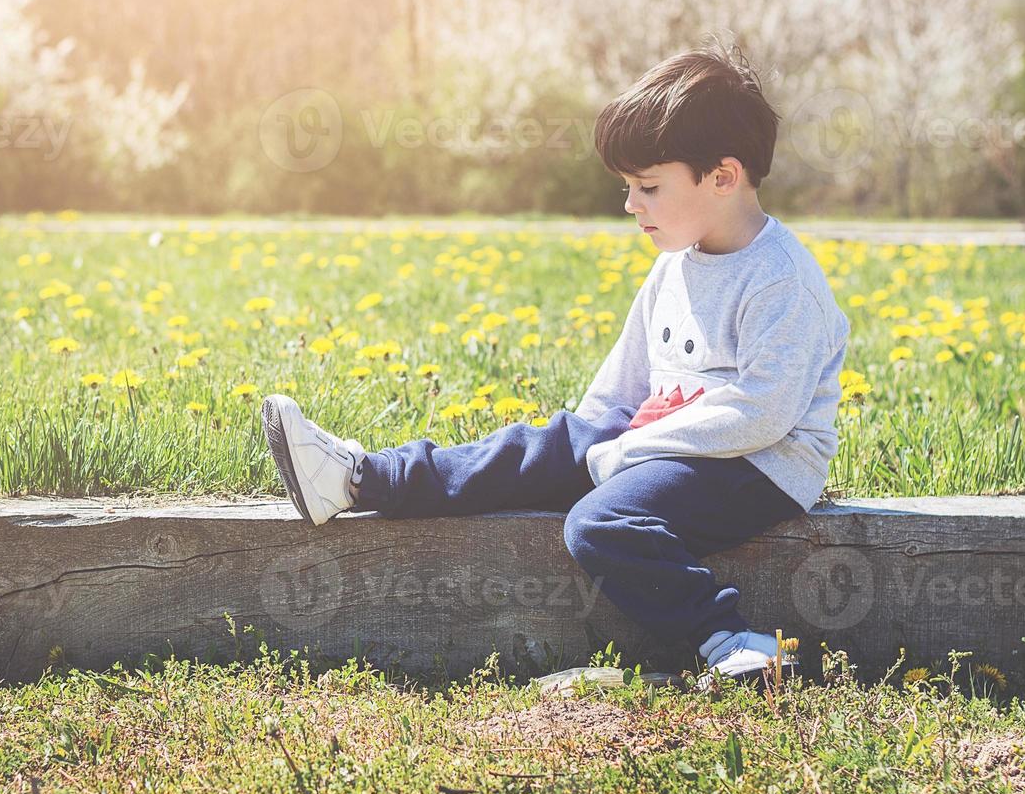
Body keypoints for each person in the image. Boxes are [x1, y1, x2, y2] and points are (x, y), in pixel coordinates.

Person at [259, 37, 850, 689]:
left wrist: (630, 450)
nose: (631, 205)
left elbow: (762, 413)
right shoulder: (674, 267)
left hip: (760, 466)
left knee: (601, 524)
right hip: (671, 445)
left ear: (723, 177)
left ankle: (731, 641)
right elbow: (623, 385)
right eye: (628, 187)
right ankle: (361, 478)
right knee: (534, 449)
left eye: (648, 187)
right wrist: (579, 446)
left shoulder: (779, 278)